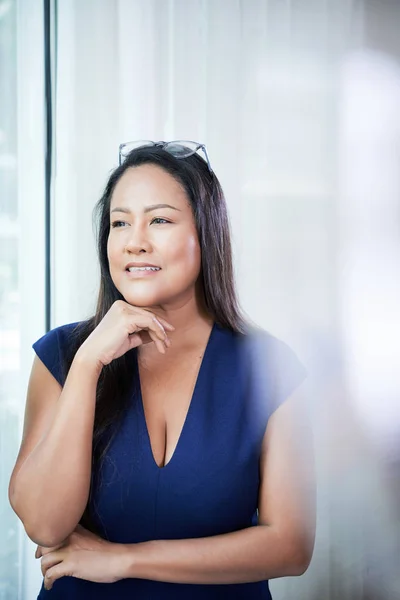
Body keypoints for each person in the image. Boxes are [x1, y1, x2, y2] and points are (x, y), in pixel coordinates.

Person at [8, 140, 316, 599]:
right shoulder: (63, 354)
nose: (135, 241)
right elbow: (45, 523)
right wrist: (89, 364)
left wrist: (123, 560)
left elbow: (290, 546)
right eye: (119, 223)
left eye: (159, 220)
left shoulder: (269, 367)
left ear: (205, 233)